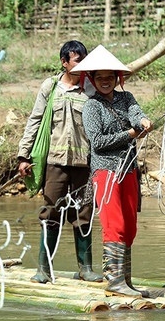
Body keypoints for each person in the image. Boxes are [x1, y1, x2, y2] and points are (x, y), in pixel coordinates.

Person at [17, 40, 103, 283]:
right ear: (64, 63)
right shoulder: (51, 87)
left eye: (85, 60)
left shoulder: (91, 89)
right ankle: (44, 269)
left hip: (84, 164)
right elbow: (35, 120)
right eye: (77, 60)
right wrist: (24, 155)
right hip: (55, 162)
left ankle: (85, 269)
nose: (82, 64)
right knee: (51, 212)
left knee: (84, 214)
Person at [71, 45, 153, 298]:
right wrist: (129, 133)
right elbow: (98, 142)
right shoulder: (91, 107)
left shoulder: (126, 99)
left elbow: (136, 113)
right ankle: (114, 281)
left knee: (129, 225)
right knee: (113, 223)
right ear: (92, 80)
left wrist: (143, 122)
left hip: (128, 168)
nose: (105, 82)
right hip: (105, 171)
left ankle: (125, 280)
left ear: (117, 79)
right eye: (100, 78)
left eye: (109, 78)